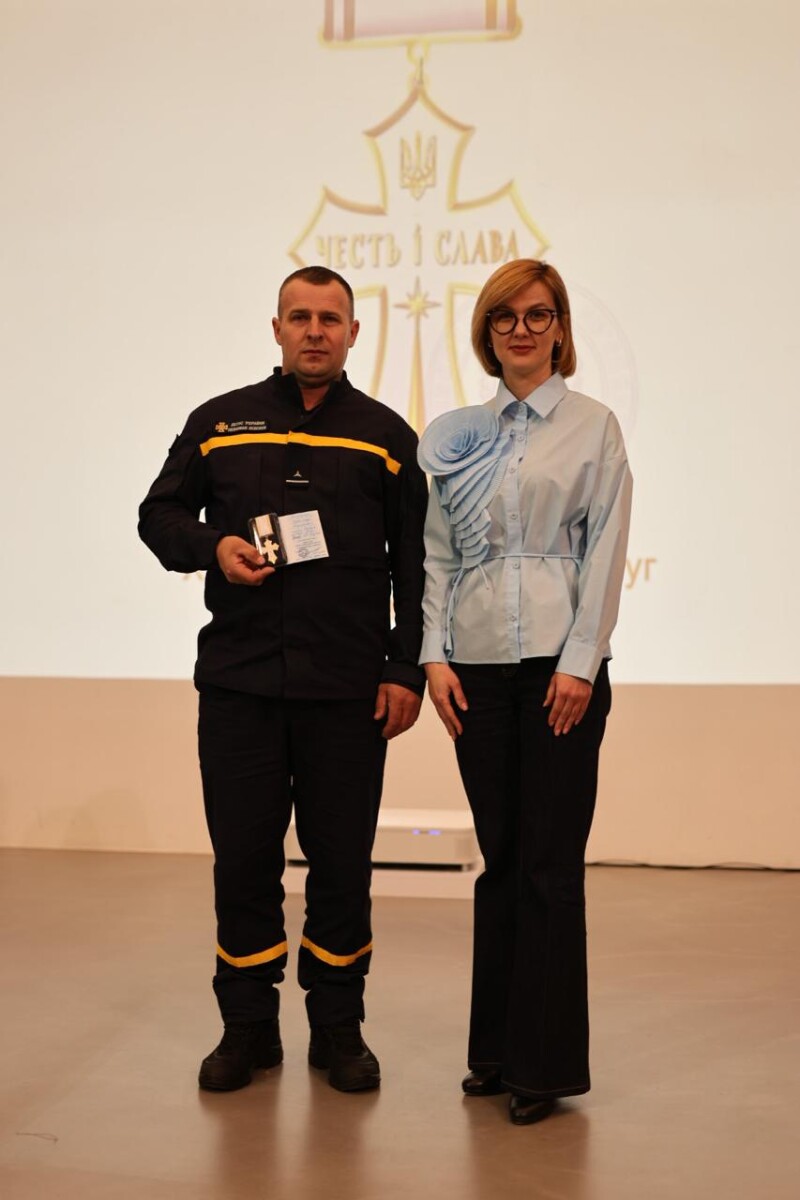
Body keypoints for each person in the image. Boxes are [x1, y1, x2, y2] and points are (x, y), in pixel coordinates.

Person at [139, 266, 427, 1094]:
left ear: (353, 333)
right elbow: (158, 516)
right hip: (240, 687)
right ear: (276, 328)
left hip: (347, 694)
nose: (314, 331)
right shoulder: (218, 422)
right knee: (243, 862)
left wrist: (403, 668)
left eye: (330, 319)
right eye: (299, 316)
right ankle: (247, 1027)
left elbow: (416, 567)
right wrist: (212, 548)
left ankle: (338, 1027)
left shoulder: (385, 437)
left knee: (342, 865)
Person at [418, 259, 632, 1125]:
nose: (521, 329)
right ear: (487, 331)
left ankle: (543, 1068)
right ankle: (496, 1052)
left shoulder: (593, 427)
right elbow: (436, 551)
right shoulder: (459, 434)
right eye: (504, 316)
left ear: (560, 327)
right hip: (475, 669)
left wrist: (581, 663)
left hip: (557, 671)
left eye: (537, 314)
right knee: (501, 861)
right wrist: (433, 655)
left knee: (549, 865)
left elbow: (607, 547)